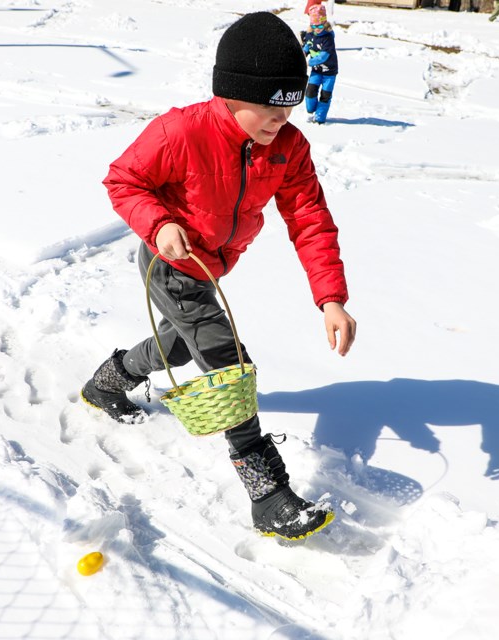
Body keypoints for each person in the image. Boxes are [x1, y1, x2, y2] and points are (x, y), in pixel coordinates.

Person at [81, 12, 357, 542]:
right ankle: (269, 496)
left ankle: (107, 382)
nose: (283, 119)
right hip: (168, 262)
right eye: (271, 108)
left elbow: (310, 219)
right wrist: (159, 225)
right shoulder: (182, 130)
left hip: (210, 265)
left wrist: (331, 298)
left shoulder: (288, 148)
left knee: (183, 346)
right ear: (233, 95)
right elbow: (123, 180)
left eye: (291, 107)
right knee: (230, 367)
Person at [302, 4, 339, 125]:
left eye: (320, 25)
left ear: (325, 23)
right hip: (316, 72)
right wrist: (303, 53)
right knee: (310, 92)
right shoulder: (310, 35)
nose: (317, 28)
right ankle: (311, 109)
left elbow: (324, 56)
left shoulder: (328, 38)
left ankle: (319, 117)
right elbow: (307, 46)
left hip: (329, 72)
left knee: (325, 95)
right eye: (314, 26)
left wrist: (309, 62)